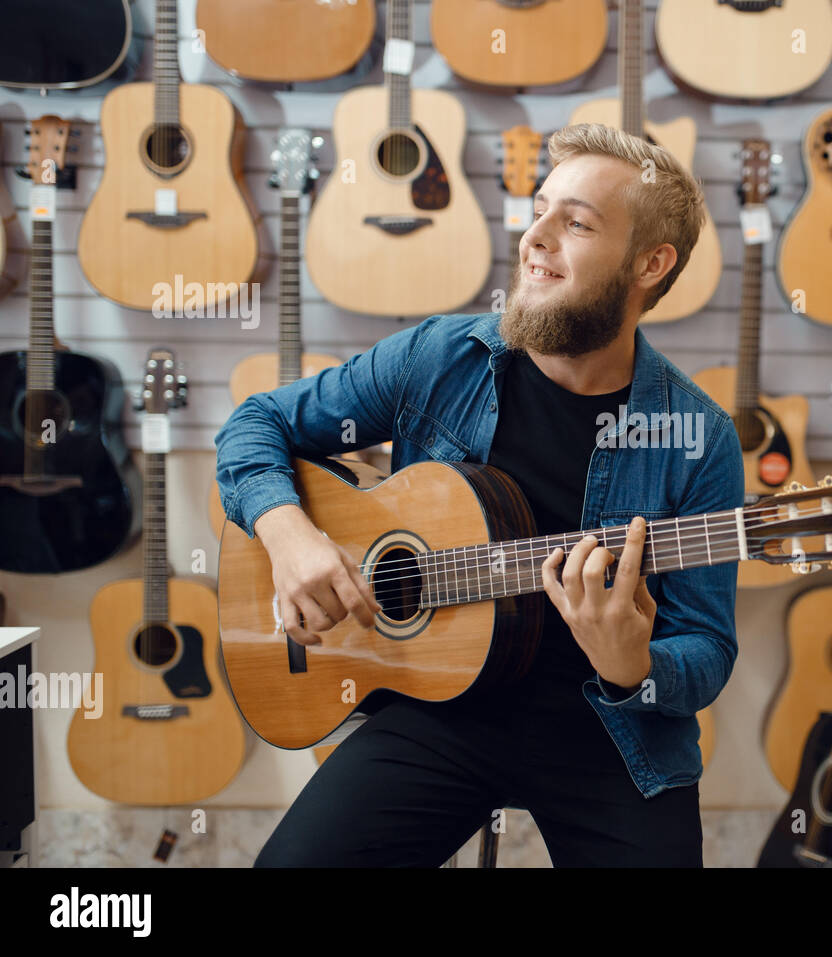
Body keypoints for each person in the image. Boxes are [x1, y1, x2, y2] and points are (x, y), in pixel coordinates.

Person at [214, 122, 744, 867]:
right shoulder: (441, 357)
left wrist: (635, 666)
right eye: (540, 208)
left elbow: (708, 646)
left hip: (610, 735)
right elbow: (255, 423)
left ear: (650, 264)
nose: (535, 238)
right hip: (437, 711)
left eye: (577, 223)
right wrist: (289, 535)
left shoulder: (699, 437)